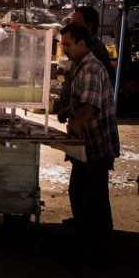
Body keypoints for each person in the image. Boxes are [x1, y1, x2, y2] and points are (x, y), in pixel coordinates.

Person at [59, 23, 119, 235]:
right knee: (79, 188)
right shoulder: (79, 65)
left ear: (82, 43)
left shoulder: (92, 68)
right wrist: (67, 110)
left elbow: (89, 108)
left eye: (68, 44)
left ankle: (100, 236)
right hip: (85, 143)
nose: (65, 49)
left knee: (94, 193)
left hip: (96, 142)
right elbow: (80, 101)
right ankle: (84, 226)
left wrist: (75, 124)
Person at [70, 5, 115, 84]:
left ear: (89, 26)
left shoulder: (95, 52)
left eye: (75, 24)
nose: (71, 28)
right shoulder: (84, 47)